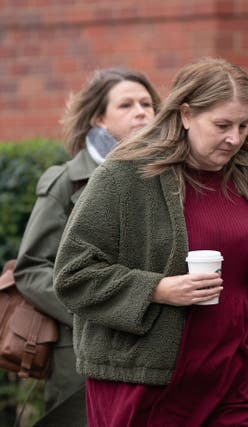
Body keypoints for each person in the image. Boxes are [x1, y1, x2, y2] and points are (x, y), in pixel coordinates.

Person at [53, 57, 248, 427]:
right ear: (184, 115)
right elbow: (73, 274)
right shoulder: (127, 173)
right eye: (221, 125)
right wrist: (158, 289)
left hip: (237, 384)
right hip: (148, 385)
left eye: (243, 125)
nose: (234, 138)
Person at [13, 67, 160, 425]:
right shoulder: (66, 181)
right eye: (126, 105)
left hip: (151, 347)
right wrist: (98, 307)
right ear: (99, 118)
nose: (141, 111)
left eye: (147, 103)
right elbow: (31, 268)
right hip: (81, 351)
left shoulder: (167, 176)